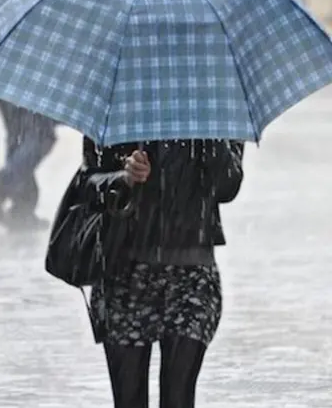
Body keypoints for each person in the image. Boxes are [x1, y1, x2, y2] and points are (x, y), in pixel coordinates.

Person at [80, 137, 244, 407]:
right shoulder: (122, 104)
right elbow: (89, 183)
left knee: (178, 397)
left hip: (192, 276)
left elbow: (227, 185)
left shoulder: (216, 104)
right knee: (129, 399)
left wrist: (209, 134)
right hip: (124, 275)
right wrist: (125, 175)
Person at [0, 100, 56, 231]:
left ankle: (22, 211)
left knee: (19, 136)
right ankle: (1, 186)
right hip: (31, 87)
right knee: (40, 135)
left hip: (8, 85)